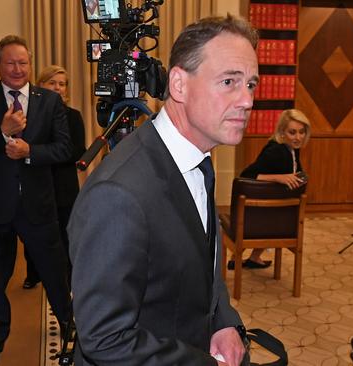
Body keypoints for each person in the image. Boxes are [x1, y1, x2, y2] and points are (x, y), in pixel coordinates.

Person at [68, 15, 257, 366]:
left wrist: (223, 322)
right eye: (229, 81)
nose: (246, 100)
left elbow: (201, 264)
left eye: (250, 85)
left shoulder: (198, 156)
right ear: (179, 85)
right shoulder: (118, 194)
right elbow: (104, 338)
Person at [0, 35, 72, 366]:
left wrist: (30, 152)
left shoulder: (49, 102)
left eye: (23, 62)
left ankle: (69, 325)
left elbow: (65, 148)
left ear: (30, 65)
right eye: (10, 62)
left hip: (38, 205)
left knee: (55, 271)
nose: (17, 69)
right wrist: (1, 133)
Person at [22, 65, 86, 289]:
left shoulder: (73, 116)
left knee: (65, 235)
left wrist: (42, 153)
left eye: (62, 83)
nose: (57, 88)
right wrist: (51, 152)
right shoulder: (28, 116)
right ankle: (33, 274)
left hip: (64, 185)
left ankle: (68, 279)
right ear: (41, 85)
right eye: (52, 83)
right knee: (33, 233)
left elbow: (76, 151)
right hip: (35, 183)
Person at [234, 109, 311, 269]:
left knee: (276, 210)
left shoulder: (292, 147)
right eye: (292, 132)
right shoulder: (275, 150)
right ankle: (238, 256)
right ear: (282, 132)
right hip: (260, 213)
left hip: (273, 209)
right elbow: (247, 175)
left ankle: (254, 258)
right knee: (273, 213)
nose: (298, 137)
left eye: (301, 132)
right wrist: (278, 177)